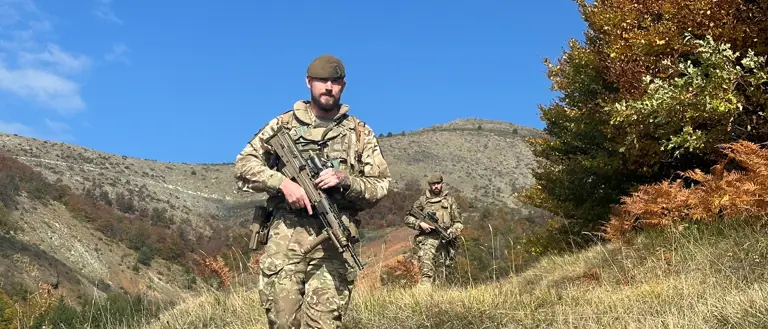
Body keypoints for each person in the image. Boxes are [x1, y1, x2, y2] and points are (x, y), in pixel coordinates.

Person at [233, 54, 391, 329]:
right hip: (286, 240)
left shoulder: (360, 132)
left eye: (335, 81)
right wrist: (283, 184)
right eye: (322, 80)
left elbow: (380, 185)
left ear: (343, 85)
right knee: (282, 323)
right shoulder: (282, 125)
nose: (328, 87)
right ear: (309, 82)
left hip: (332, 240)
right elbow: (244, 164)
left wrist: (346, 180)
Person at [403, 172, 464, 288]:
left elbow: (458, 223)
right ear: (429, 185)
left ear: (442, 184)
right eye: (433, 184)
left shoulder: (450, 201)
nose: (436, 187)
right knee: (426, 270)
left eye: (438, 184)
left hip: (445, 241)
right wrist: (419, 223)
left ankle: (439, 298)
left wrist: (452, 230)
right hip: (427, 240)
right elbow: (407, 217)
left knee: (444, 273)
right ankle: (424, 295)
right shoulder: (422, 201)